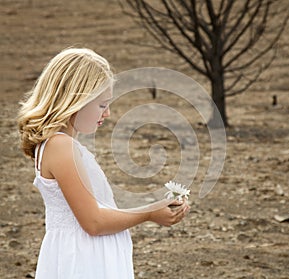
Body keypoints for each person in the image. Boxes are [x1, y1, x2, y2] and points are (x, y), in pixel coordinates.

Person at [17, 48, 190, 279]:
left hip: (85, 256)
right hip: (84, 262)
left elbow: (97, 211)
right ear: (75, 101)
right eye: (101, 105)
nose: (107, 113)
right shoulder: (61, 147)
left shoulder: (61, 145)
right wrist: (149, 213)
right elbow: (94, 222)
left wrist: (155, 207)